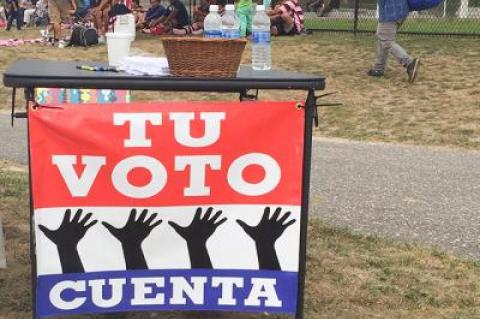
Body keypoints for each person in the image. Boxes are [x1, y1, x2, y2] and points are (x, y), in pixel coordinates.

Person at [368, 0, 420, 82]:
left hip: (391, 11)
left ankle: (409, 63)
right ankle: (379, 68)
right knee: (382, 37)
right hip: (397, 10)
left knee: (386, 40)